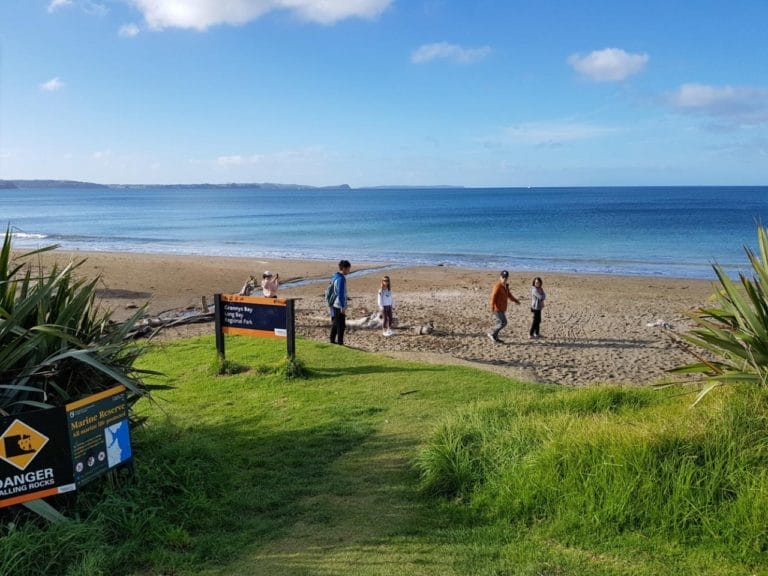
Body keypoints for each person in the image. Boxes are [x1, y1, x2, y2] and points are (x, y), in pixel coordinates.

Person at [488, 270, 520, 343]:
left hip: (502, 308)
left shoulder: (506, 286)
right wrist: (492, 306)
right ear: (500, 277)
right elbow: (493, 296)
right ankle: (491, 333)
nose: (504, 279)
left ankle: (495, 338)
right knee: (503, 322)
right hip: (497, 308)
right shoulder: (498, 286)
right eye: (503, 277)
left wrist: (515, 300)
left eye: (506, 277)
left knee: (498, 323)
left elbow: (509, 295)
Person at [329, 260, 351, 345]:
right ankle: (340, 342)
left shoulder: (335, 276)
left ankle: (332, 340)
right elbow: (340, 293)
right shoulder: (341, 278)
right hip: (338, 304)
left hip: (334, 302)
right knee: (341, 325)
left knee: (335, 323)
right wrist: (342, 306)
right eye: (348, 269)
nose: (349, 271)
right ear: (344, 268)